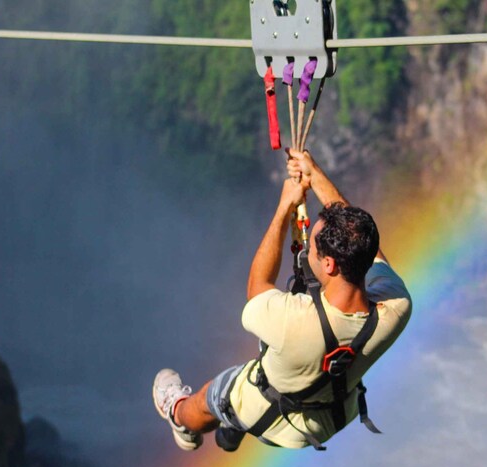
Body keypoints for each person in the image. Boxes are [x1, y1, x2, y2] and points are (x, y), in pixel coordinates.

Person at [152, 150, 412, 450]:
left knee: (211, 396)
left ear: (329, 265)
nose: (308, 250)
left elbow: (257, 289)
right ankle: (232, 428)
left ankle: (178, 417)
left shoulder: (293, 321)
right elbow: (361, 240)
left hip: (269, 414)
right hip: (331, 416)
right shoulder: (396, 306)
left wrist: (283, 208)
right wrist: (313, 174)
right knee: (278, 355)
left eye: (313, 247)